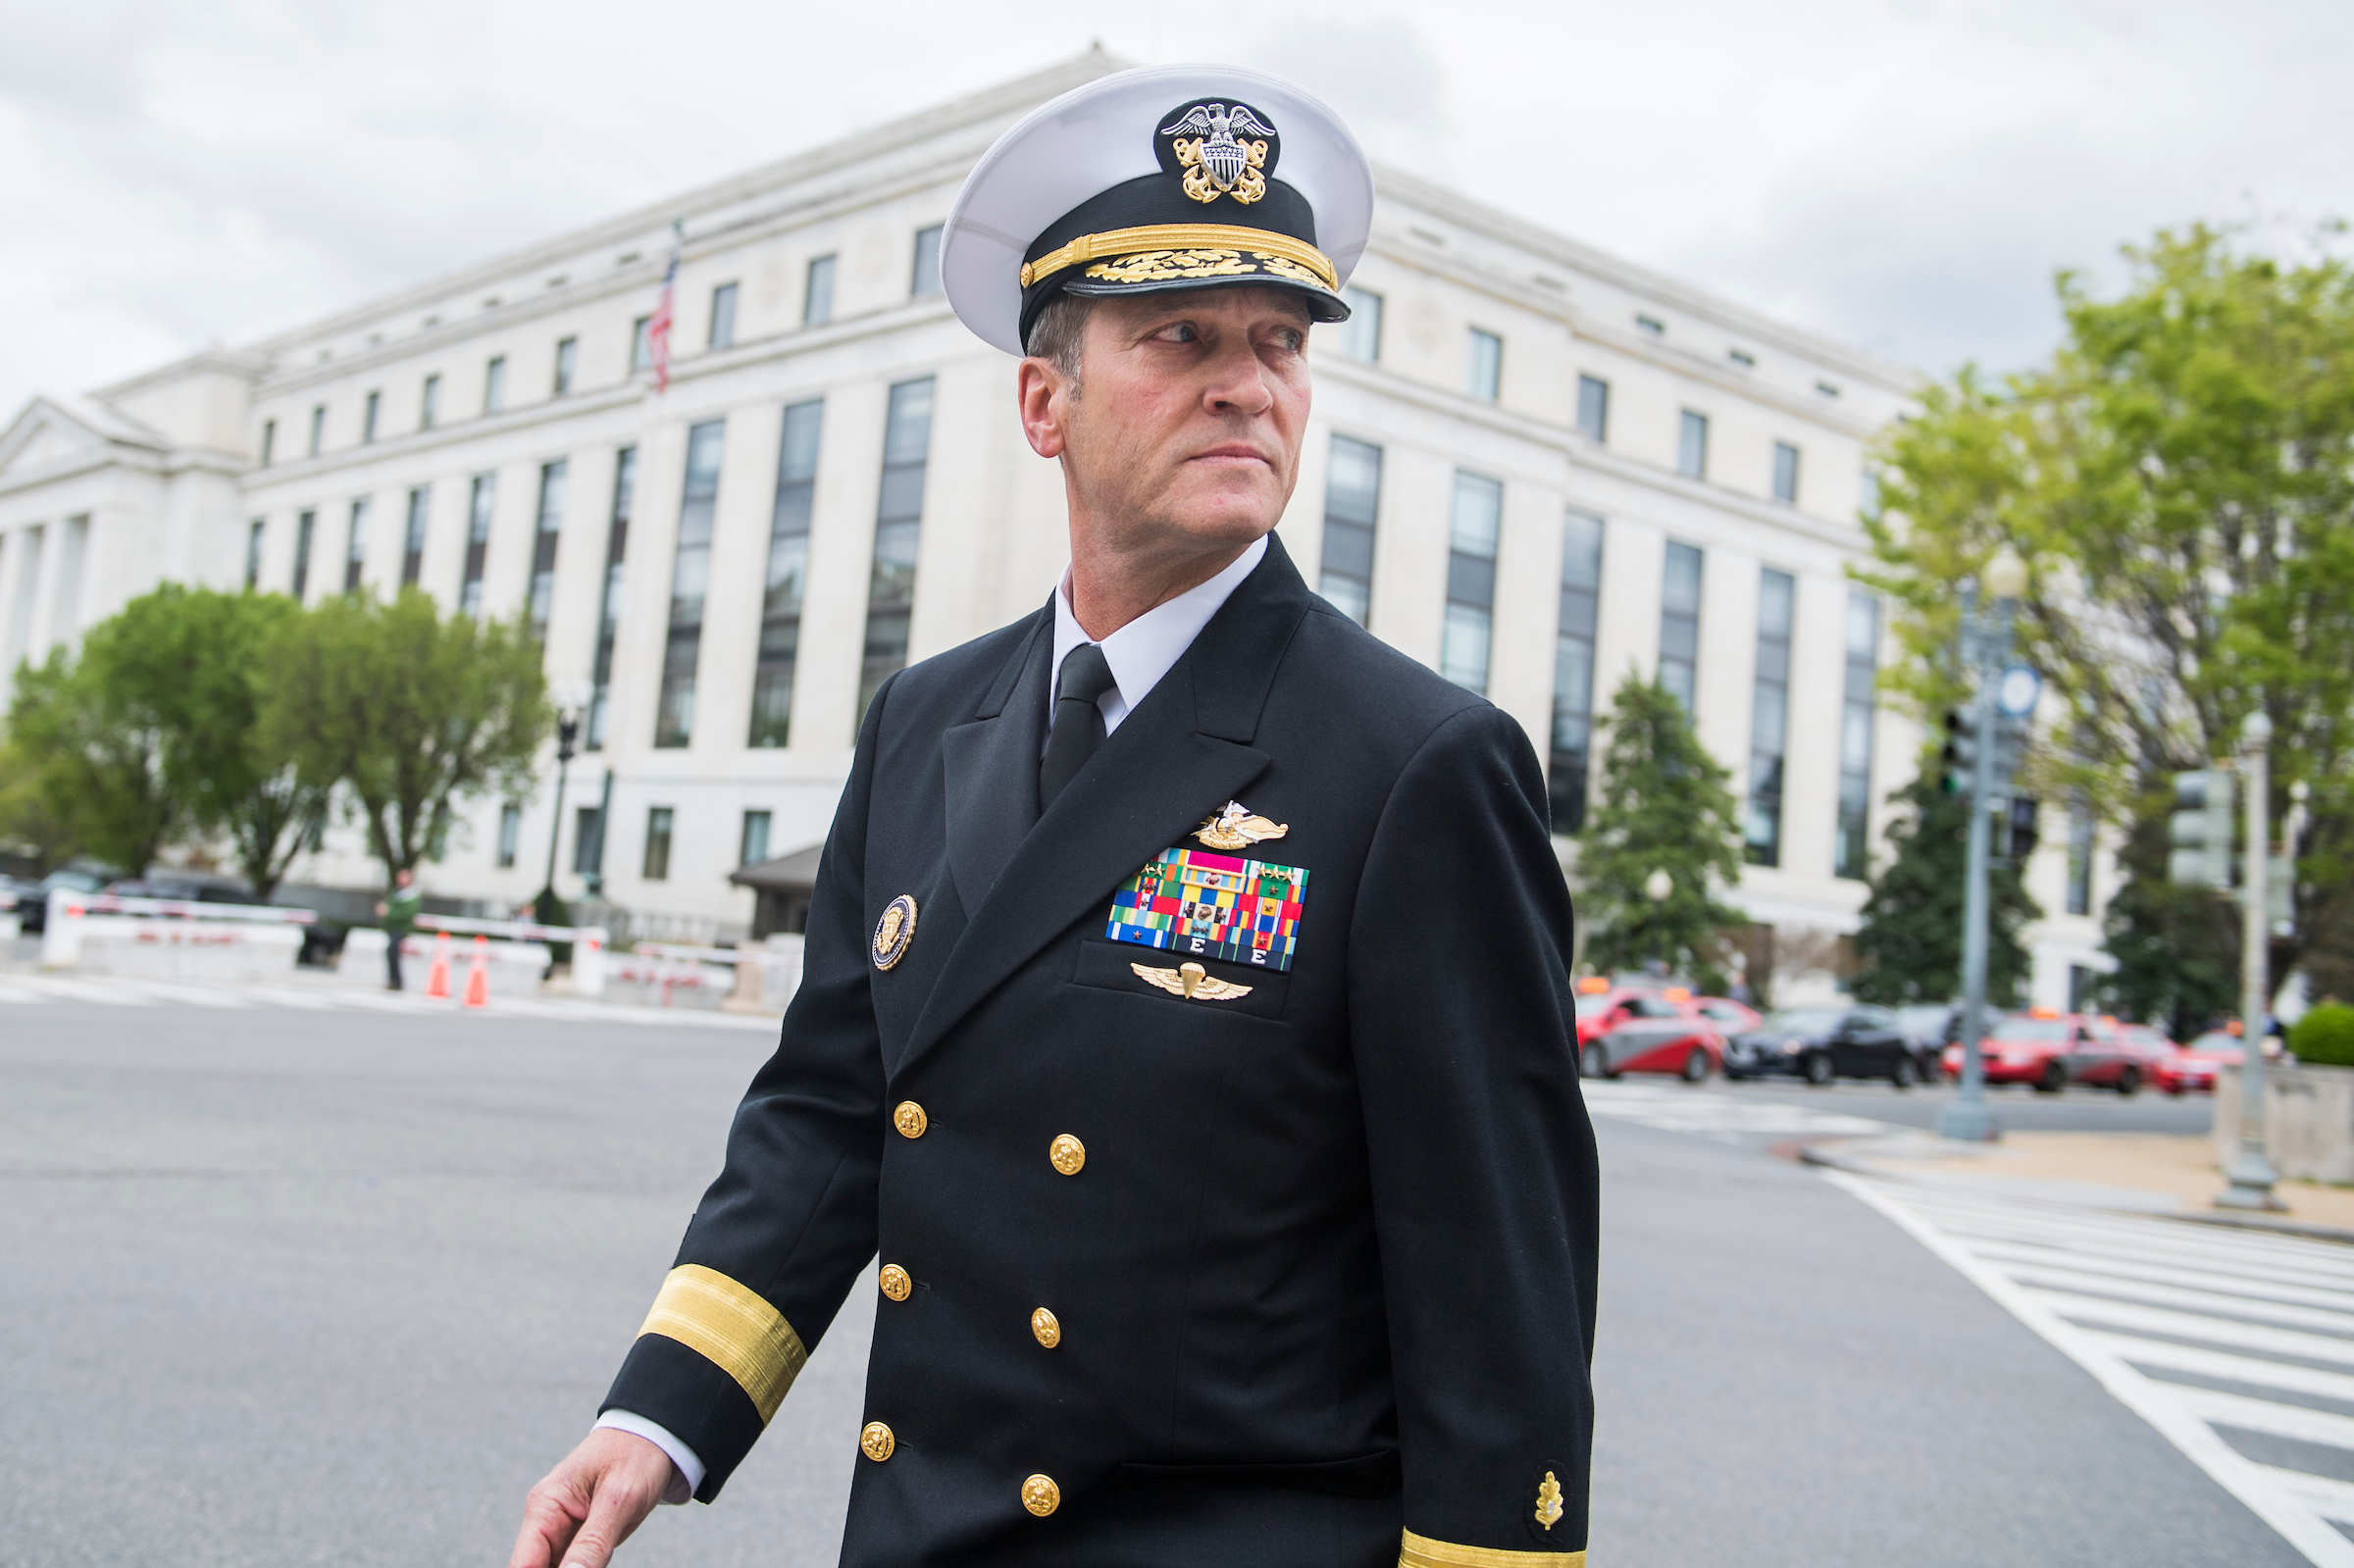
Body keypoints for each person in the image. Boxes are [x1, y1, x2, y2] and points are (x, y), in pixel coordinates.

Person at [511, 64, 1597, 1568]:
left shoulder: (1416, 760)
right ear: (1045, 400)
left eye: (1280, 342)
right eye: (1181, 337)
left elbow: (1497, 1282)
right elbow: (831, 1110)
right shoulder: (922, 720)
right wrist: (659, 1416)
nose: (1248, 382)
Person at [375, 868, 419, 991]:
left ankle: (396, 981)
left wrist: (388, 912)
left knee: (393, 953)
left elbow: (406, 913)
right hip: (392, 928)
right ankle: (393, 980)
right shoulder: (397, 892)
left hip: (400, 929)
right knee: (391, 953)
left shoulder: (411, 894)